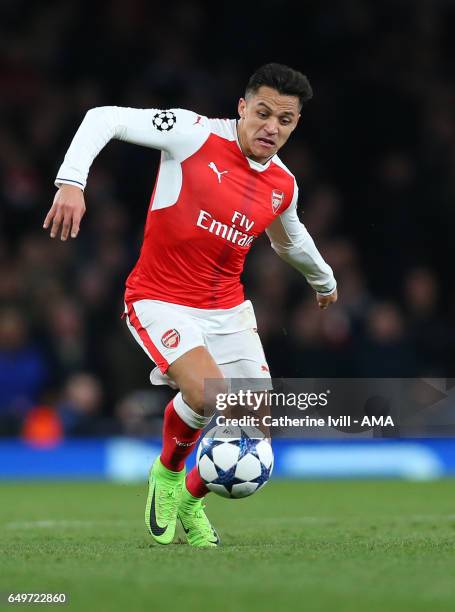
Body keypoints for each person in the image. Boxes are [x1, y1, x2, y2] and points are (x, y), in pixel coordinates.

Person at [43, 63, 338, 547]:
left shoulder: (283, 185)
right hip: (159, 298)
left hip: (227, 307)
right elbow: (103, 118)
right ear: (242, 107)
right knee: (209, 395)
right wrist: (71, 181)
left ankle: (192, 499)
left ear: (295, 124)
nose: (271, 127)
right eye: (262, 113)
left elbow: (288, 238)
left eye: (284, 120)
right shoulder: (190, 132)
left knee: (255, 420)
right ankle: (167, 472)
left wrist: (322, 278)